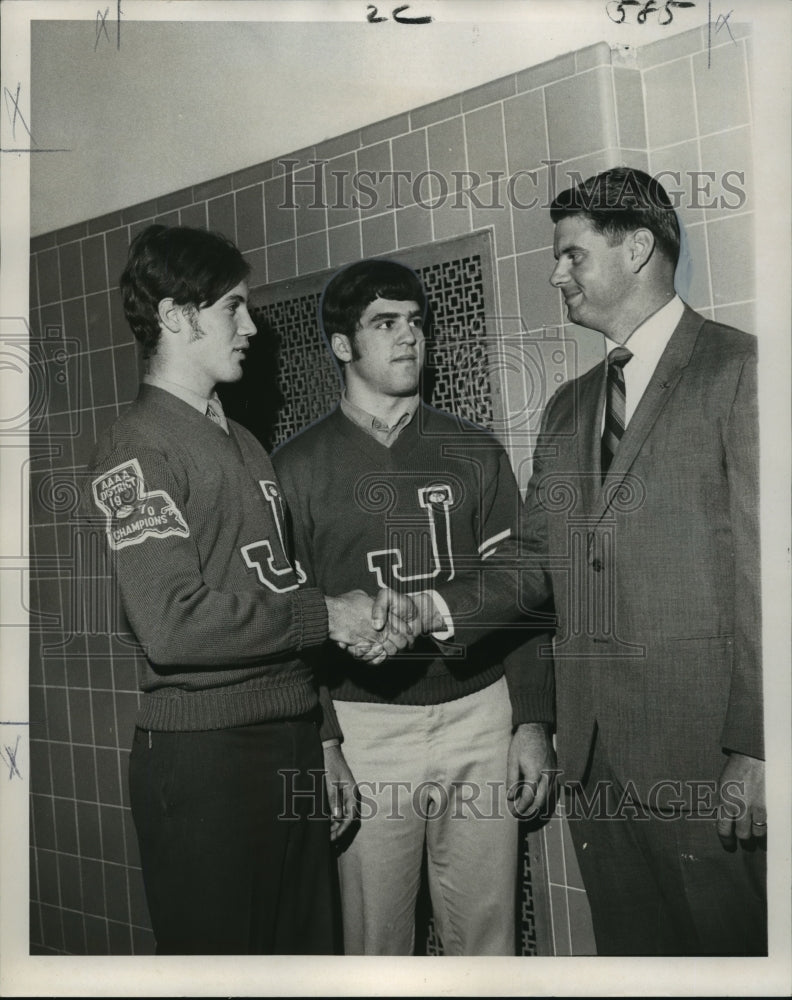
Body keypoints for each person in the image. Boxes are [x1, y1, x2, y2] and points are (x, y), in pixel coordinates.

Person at [85, 224, 416, 955]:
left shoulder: (245, 443)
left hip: (288, 739)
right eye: (233, 307)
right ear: (176, 317)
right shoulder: (137, 445)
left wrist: (323, 736)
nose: (251, 325)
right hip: (207, 762)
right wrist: (325, 615)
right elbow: (172, 625)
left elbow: (282, 585)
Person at [272, 259, 555, 956]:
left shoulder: (472, 449)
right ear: (342, 345)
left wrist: (534, 722)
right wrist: (324, 740)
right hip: (367, 725)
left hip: (477, 713)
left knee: (486, 935)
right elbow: (292, 619)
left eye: (416, 323)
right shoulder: (294, 469)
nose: (409, 338)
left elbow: (522, 587)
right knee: (375, 941)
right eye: (385, 323)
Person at [521, 166, 766, 955]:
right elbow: (536, 566)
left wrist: (760, 745)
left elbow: (774, 577)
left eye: (571, 255)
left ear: (635, 248)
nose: (557, 274)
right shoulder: (566, 408)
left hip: (705, 758)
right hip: (594, 766)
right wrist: (529, 712)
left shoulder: (743, 372)